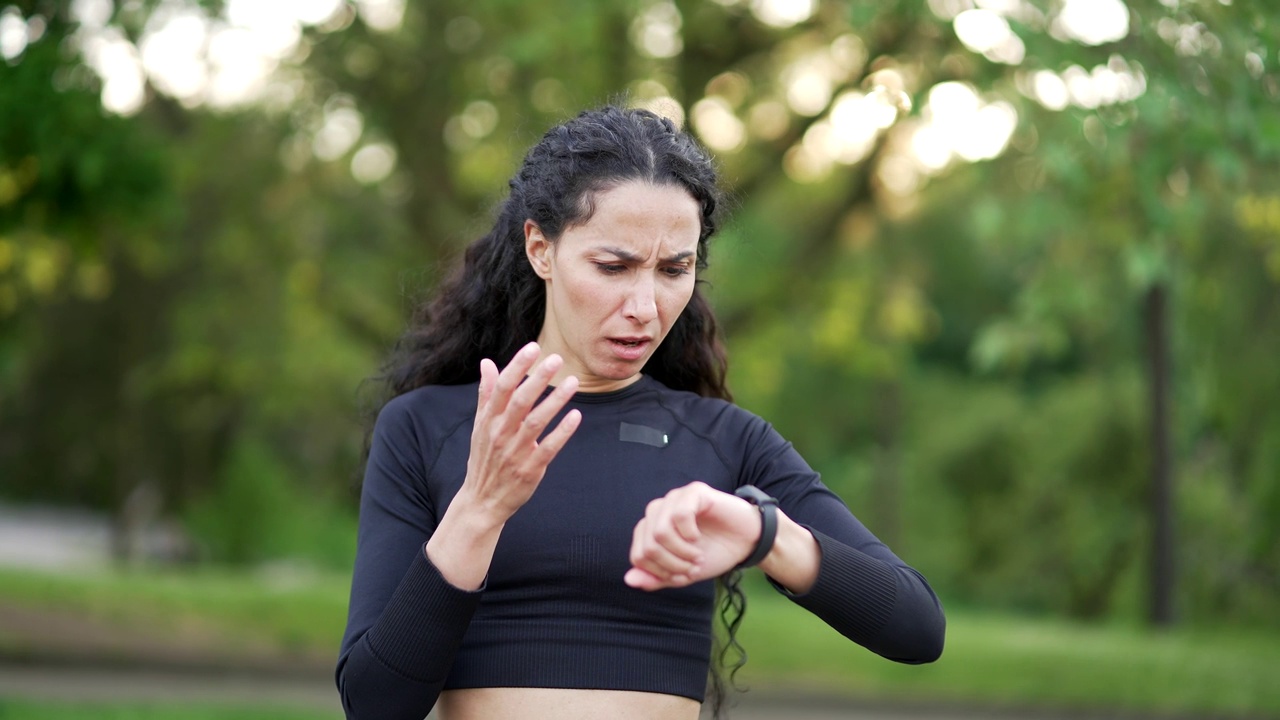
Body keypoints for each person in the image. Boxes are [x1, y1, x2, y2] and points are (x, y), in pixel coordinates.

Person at [335, 105, 945, 720]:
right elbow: (375, 703)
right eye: (614, 267)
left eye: (674, 270)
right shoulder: (428, 429)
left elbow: (918, 627)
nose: (645, 307)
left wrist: (764, 532)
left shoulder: (723, 440)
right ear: (541, 248)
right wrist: (481, 508)